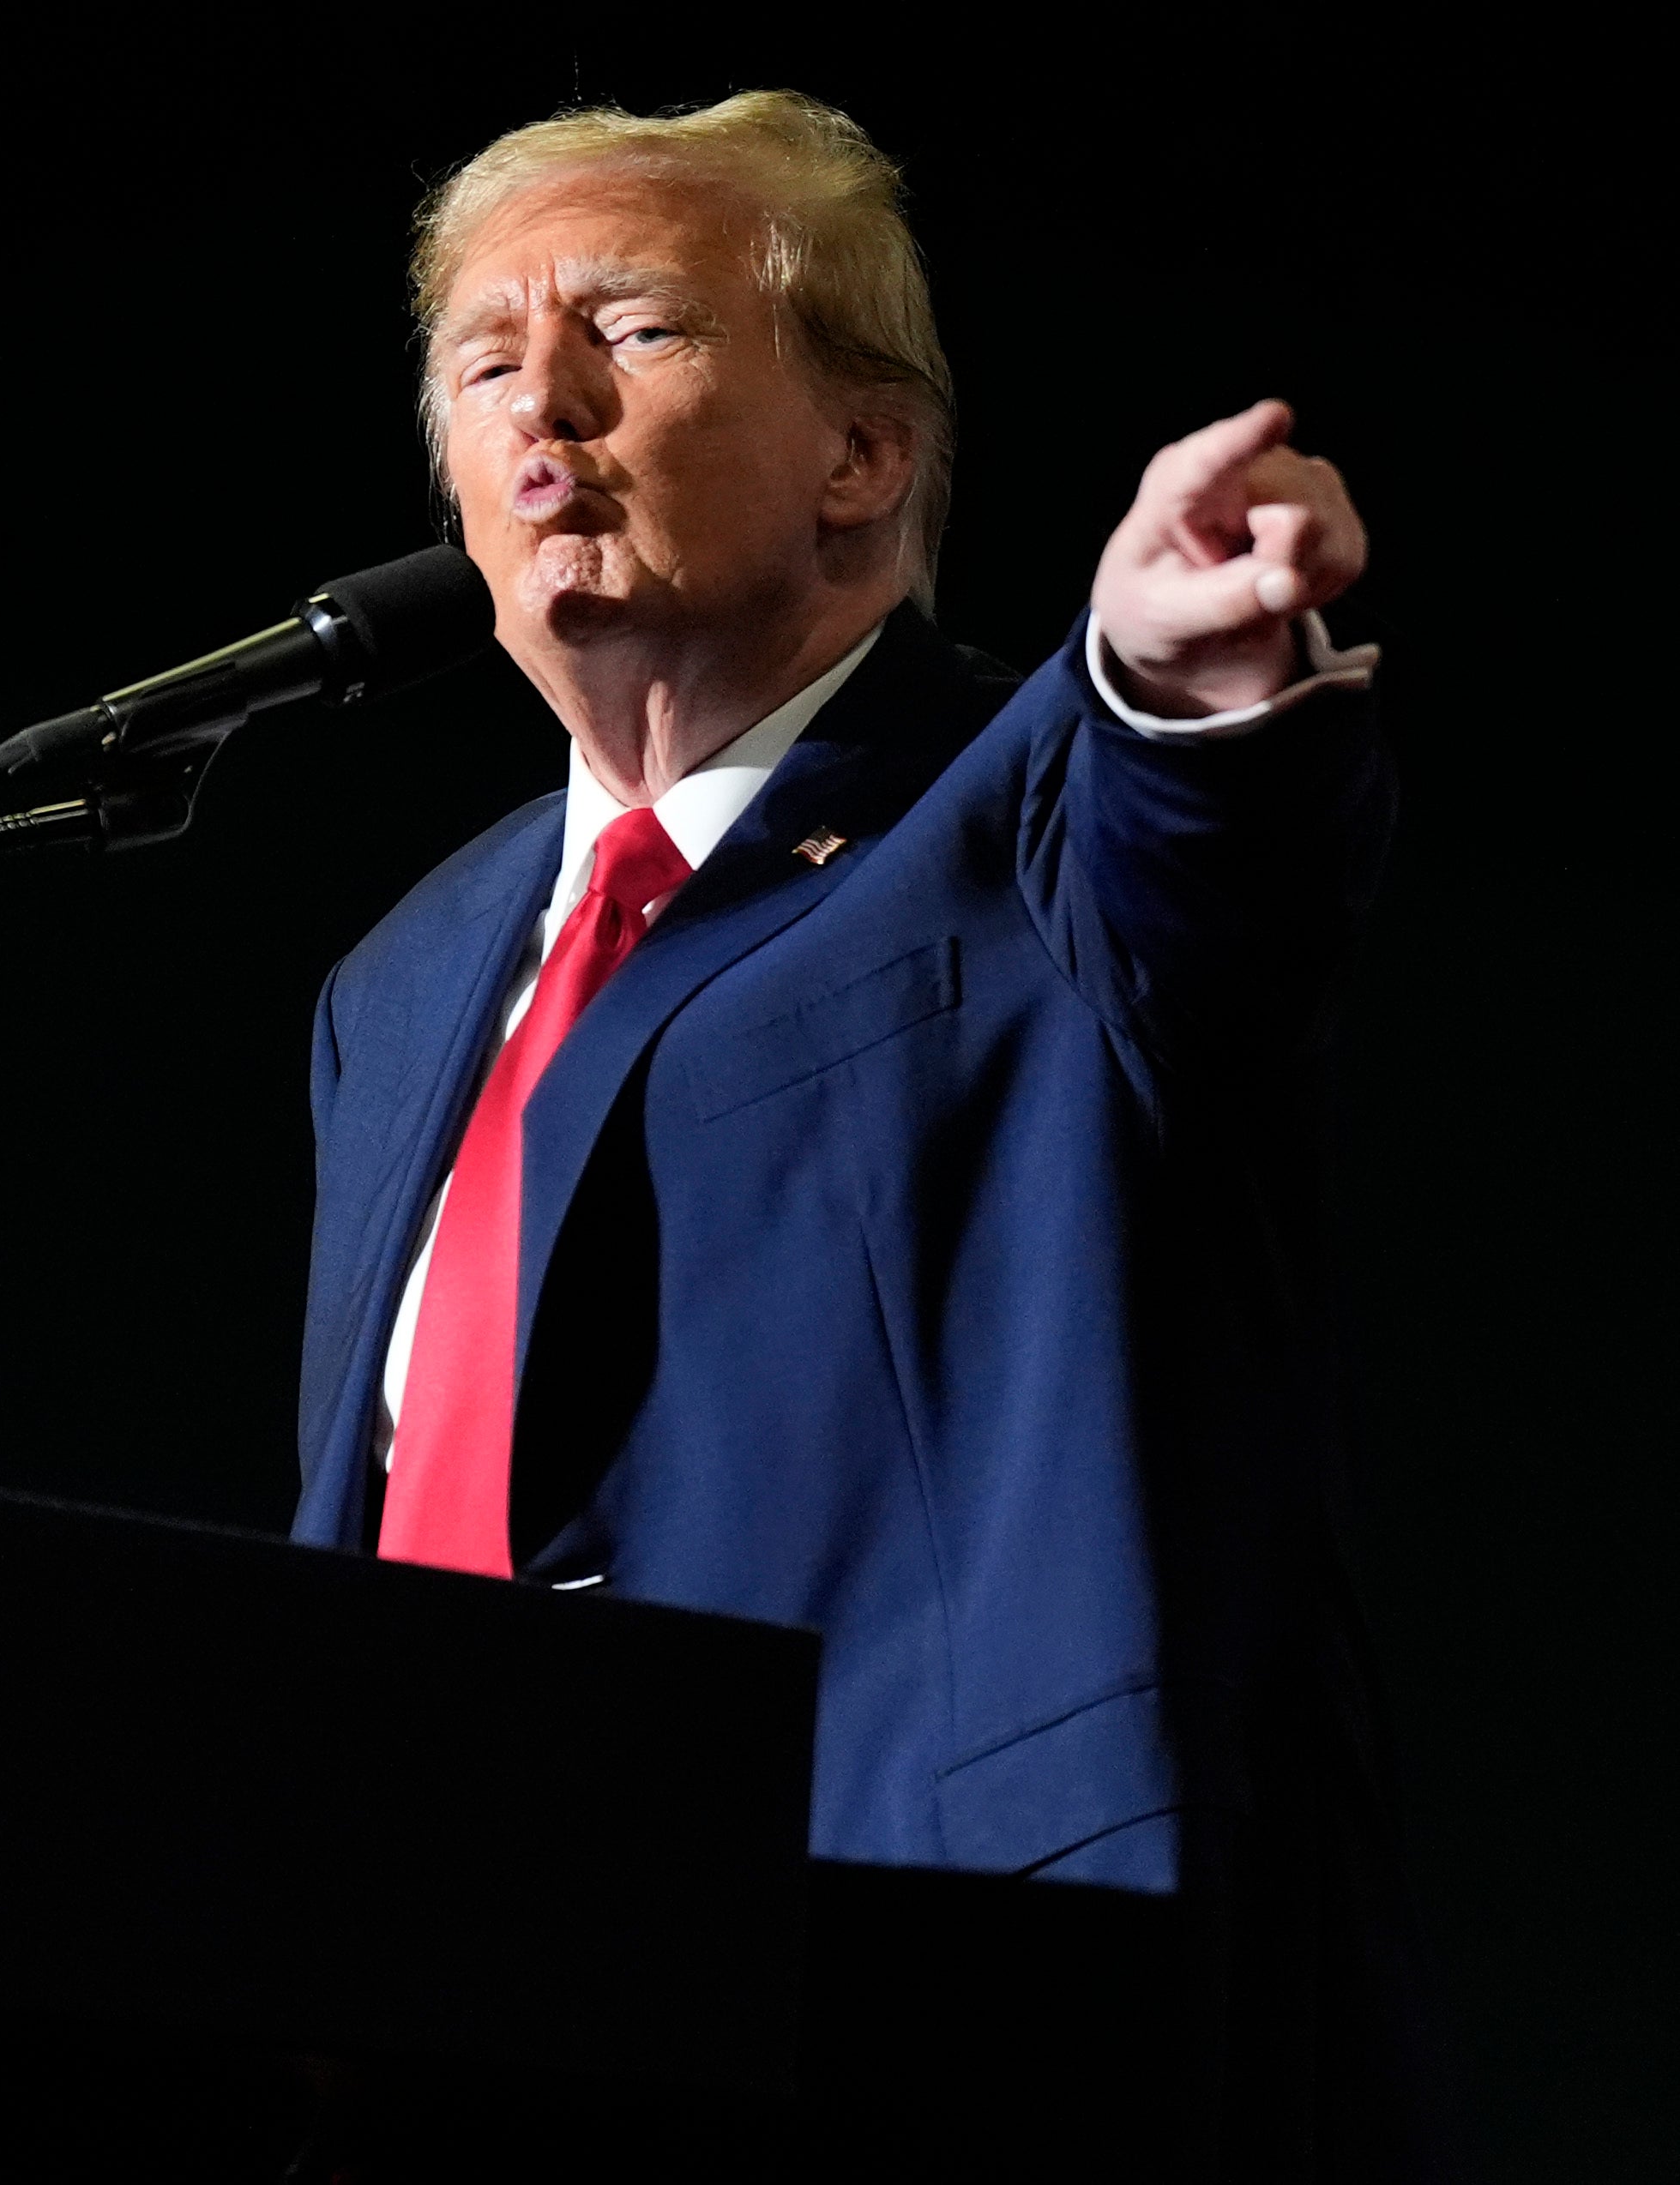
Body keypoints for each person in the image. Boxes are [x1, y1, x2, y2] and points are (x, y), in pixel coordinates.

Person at [290, 93, 1438, 2174]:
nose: (542, 394)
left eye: (633, 328)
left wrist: (1178, 691)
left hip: (921, 1980)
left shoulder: (1014, 816)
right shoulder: (406, 975)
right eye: (482, 359)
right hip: (434, 2003)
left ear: (861, 453)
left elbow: (1208, 866)